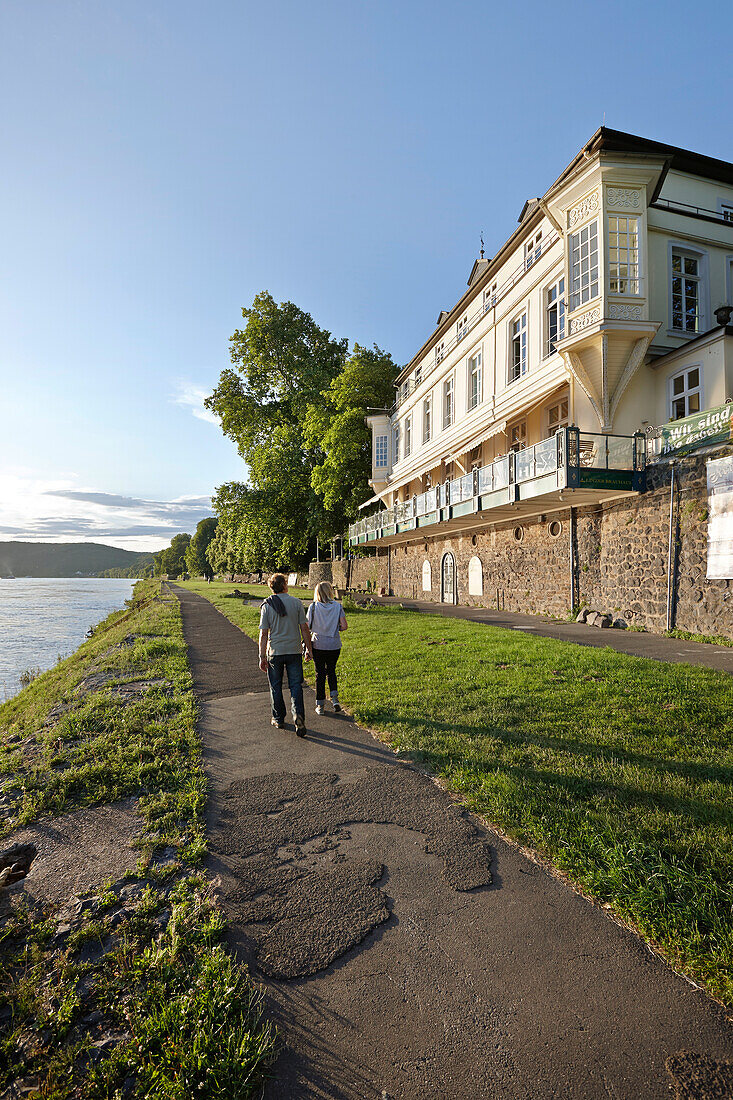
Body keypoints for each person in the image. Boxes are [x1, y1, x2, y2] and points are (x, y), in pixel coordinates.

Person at [259, 573, 313, 736]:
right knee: (296, 686)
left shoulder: (267, 605)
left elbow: (263, 634)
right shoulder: (296, 603)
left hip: (274, 651)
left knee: (275, 686)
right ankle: (298, 715)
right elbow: (304, 628)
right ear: (284, 585)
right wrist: (308, 648)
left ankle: (278, 718)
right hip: (294, 651)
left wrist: (262, 656)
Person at [306, 581, 347, 716]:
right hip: (334, 645)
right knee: (331, 671)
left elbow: (307, 626)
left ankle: (320, 705)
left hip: (318, 644)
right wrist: (336, 628)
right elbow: (344, 626)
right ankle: (335, 700)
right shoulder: (337, 606)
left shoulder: (313, 607)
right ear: (330, 591)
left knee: (320, 674)